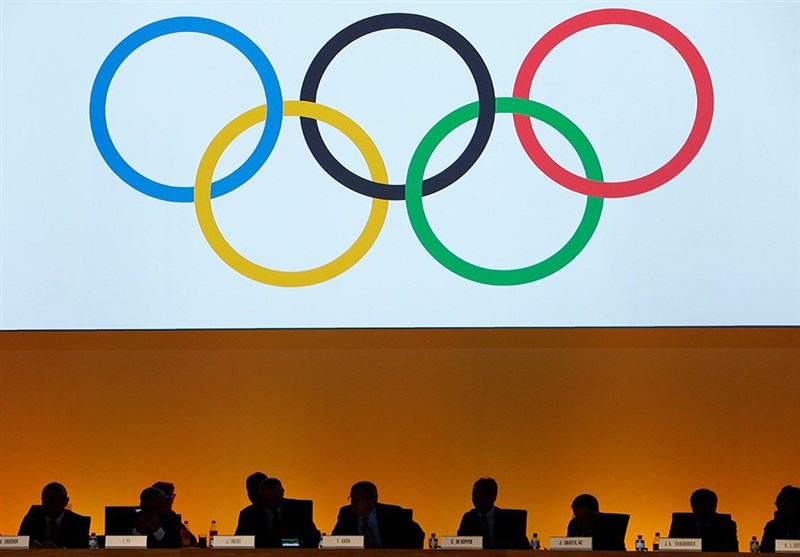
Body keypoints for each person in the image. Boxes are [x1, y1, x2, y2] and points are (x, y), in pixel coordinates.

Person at [331, 481, 425, 548]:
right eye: (352, 498)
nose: (355, 502)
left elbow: (417, 534)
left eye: (360, 498)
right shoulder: (346, 514)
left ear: (373, 500)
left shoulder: (393, 514)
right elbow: (334, 541)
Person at [235, 477, 320, 548]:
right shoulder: (248, 515)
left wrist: (284, 543)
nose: (272, 502)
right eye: (268, 499)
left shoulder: (298, 510)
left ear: (282, 492)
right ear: (261, 496)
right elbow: (240, 543)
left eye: (275, 497)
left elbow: (312, 538)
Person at [457, 478, 530, 549]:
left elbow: (524, 547)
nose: (476, 500)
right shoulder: (468, 518)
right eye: (474, 495)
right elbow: (459, 545)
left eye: (481, 496)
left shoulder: (508, 520)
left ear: (493, 497)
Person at [18, 482, 90, 548]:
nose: (49, 502)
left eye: (54, 498)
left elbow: (81, 548)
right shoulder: (31, 520)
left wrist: (58, 550)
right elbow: (19, 543)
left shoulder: (78, 522)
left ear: (66, 501)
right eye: (45, 498)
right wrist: (32, 545)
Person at [669, 488, 738, 552]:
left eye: (706, 508)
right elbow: (669, 549)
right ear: (692, 506)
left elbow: (733, 552)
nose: (703, 509)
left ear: (714, 507)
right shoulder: (680, 524)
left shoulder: (727, 525)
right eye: (700, 508)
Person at [151, 481, 196, 546]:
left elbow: (192, 540)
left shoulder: (172, 516)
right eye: (166, 496)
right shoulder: (147, 517)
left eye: (172, 496)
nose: (170, 500)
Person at [761, 485, 800, 552]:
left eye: (788, 501)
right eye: (782, 501)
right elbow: (764, 551)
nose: (783, 504)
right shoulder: (772, 526)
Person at [235, 472, 269, 538]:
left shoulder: (289, 509)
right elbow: (239, 540)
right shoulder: (246, 514)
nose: (251, 494)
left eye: (255, 489)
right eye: (249, 490)